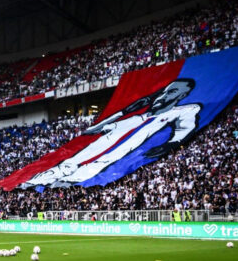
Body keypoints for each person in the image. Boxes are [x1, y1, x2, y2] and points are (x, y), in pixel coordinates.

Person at [24, 79, 201, 187]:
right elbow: (102, 125)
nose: (165, 95)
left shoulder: (182, 110)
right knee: (71, 162)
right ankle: (38, 181)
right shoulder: (136, 116)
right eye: (165, 90)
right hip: (99, 144)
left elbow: (184, 128)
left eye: (173, 91)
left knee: (92, 167)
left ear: (183, 95)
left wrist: (169, 145)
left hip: (117, 151)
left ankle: (66, 181)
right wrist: (105, 122)